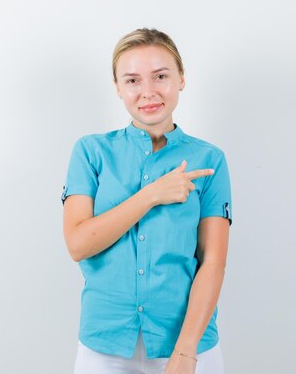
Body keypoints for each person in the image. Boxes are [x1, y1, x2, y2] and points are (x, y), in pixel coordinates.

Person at [61, 28, 233, 374]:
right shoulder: (91, 152)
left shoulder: (209, 160)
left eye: (160, 76)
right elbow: (78, 244)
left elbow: (212, 262)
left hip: (186, 345)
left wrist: (186, 353)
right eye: (133, 80)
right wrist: (152, 195)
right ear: (117, 87)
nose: (148, 92)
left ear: (181, 79)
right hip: (104, 348)